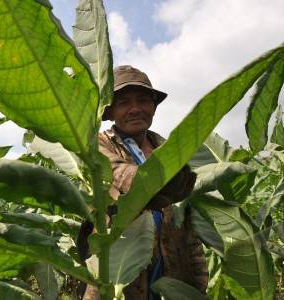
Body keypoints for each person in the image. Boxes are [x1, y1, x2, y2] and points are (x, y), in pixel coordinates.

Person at [81, 65, 208, 300]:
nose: (135, 109)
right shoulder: (99, 145)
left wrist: (198, 280)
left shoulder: (167, 148)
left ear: (153, 107)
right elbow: (124, 177)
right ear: (109, 112)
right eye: (124, 103)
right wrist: (177, 181)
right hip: (120, 272)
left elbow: (188, 224)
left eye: (143, 100)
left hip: (173, 270)